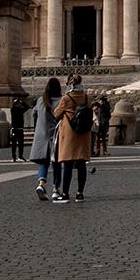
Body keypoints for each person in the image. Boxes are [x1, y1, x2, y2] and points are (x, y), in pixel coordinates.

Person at [51, 75, 93, 203]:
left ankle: (65, 193)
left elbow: (56, 114)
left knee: (68, 164)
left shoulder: (66, 98)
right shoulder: (87, 98)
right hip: (83, 133)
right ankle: (80, 193)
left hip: (69, 133)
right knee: (81, 164)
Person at [29, 77, 60, 200]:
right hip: (55, 135)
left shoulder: (41, 100)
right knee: (57, 163)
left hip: (42, 135)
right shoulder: (60, 101)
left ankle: (41, 185)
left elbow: (34, 114)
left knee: (43, 162)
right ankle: (56, 189)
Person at [9, 96, 28, 162]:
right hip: (15, 129)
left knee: (20, 144)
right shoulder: (14, 109)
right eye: (17, 104)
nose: (18, 104)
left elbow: (27, 107)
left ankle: (19, 156)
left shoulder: (19, 110)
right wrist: (20, 101)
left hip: (19, 129)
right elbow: (26, 107)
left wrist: (20, 101)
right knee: (14, 144)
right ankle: (15, 157)